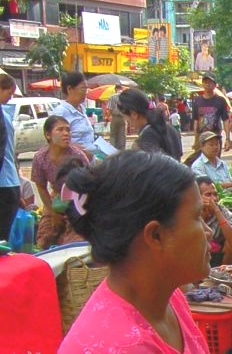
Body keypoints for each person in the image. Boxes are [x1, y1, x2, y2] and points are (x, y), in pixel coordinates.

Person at [58, 151, 210, 352]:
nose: (207, 231)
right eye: (197, 216)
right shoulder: (125, 346)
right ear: (155, 235)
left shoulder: (167, 298)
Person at [32, 116, 90, 249]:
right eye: (60, 130)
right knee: (44, 238)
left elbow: (88, 186)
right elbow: (41, 187)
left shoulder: (77, 155)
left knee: (74, 242)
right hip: (56, 200)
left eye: (68, 130)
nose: (66, 133)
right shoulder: (40, 157)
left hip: (78, 201)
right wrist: (53, 212)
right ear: (48, 135)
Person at [118, 88, 183, 160]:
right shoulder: (169, 128)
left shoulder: (147, 136)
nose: (127, 121)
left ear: (134, 114)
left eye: (125, 117)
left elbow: (152, 165)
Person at [196, 176, 232, 266]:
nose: (214, 198)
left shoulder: (225, 213)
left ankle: (223, 276)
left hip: (216, 255)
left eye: (215, 194)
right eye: (208, 195)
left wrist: (217, 211)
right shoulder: (190, 212)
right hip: (194, 253)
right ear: (197, 197)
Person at [52, 72, 97, 157]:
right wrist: (74, 148)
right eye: (83, 89)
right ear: (69, 89)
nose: (85, 93)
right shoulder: (61, 112)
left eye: (86, 89)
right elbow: (55, 141)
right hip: (73, 162)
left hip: (89, 162)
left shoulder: (82, 109)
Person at [192, 73, 232, 152]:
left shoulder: (220, 100)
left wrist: (227, 139)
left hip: (215, 138)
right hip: (202, 139)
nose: (208, 85)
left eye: (210, 82)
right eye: (206, 82)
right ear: (202, 84)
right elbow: (196, 121)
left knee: (214, 162)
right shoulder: (197, 101)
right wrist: (196, 140)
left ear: (215, 85)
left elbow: (225, 120)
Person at [0, 74, 17, 240]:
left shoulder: (4, 115)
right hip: (7, 180)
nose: (10, 98)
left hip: (6, 181)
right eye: (9, 94)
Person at [105, 85, 127, 150]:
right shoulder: (125, 97)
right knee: (122, 135)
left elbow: (110, 109)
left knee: (113, 135)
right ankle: (121, 151)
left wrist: (107, 119)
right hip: (123, 117)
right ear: (121, 89)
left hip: (114, 117)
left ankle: (112, 149)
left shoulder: (112, 97)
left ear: (115, 89)